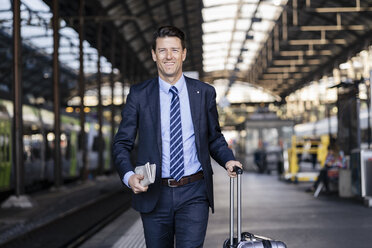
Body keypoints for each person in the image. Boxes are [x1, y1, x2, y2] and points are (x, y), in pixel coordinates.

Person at [112, 26, 242, 248]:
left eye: (174, 50)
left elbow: (213, 137)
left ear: (184, 53)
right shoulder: (139, 94)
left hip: (194, 193)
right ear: (154, 54)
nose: (168, 56)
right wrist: (129, 176)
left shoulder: (204, 93)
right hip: (154, 191)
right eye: (162, 51)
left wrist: (228, 159)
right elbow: (121, 143)